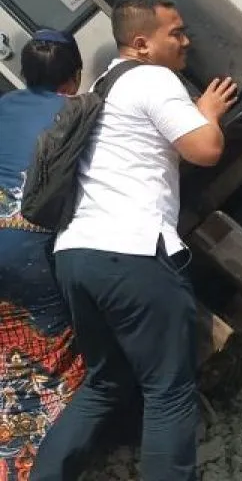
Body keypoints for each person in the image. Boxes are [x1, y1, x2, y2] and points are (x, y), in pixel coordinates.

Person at [33, 0, 238, 481]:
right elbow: (204, 149)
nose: (186, 41)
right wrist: (206, 110)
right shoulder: (152, 78)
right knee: (168, 390)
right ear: (142, 44)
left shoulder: (105, 85)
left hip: (76, 256)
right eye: (177, 33)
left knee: (106, 382)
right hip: (131, 254)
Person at [0, 31, 88, 477]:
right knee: (52, 358)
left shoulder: (3, 106)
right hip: (29, 252)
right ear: (73, 79)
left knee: (7, 360)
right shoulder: (76, 112)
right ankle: (33, 467)